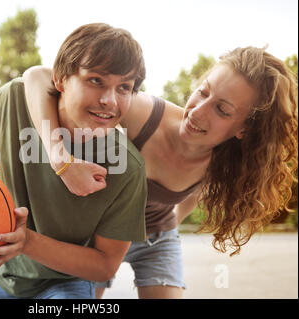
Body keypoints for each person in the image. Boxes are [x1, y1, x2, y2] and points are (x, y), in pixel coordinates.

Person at [22, 46, 298, 298]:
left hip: (156, 236)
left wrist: (163, 227)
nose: (197, 112)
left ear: (244, 130)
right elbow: (37, 76)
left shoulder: (223, 165)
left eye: (222, 110)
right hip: (96, 236)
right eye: (202, 92)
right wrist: (59, 156)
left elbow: (188, 199)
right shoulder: (142, 115)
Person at [0, 23, 148, 299]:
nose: (109, 100)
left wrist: (27, 242)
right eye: (96, 80)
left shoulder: (128, 166)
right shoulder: (15, 99)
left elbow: (104, 266)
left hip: (66, 284)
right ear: (60, 79)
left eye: (124, 87)